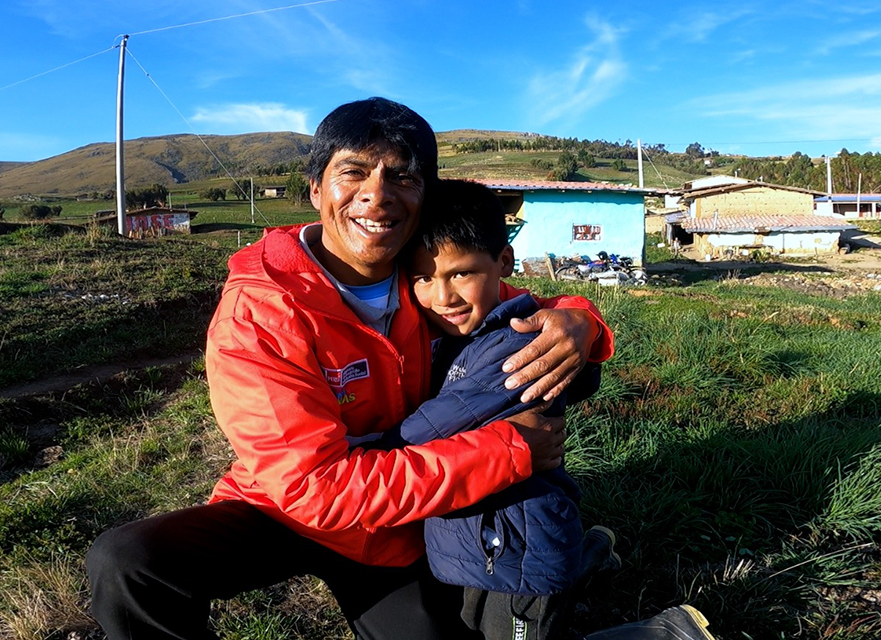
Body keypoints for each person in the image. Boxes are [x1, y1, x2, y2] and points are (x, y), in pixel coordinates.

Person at [86, 97, 614, 640]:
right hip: (284, 511)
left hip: (393, 527)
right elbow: (313, 487)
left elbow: (515, 307)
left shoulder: (422, 278)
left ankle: (590, 571)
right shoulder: (261, 311)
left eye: (402, 177)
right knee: (127, 562)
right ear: (316, 188)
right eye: (353, 172)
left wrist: (582, 320)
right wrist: (510, 450)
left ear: (423, 195)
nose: (377, 195)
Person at [357, 179, 617, 640]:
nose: (443, 298)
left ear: (504, 262)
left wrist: (372, 453)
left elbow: (435, 426)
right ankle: (593, 551)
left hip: (522, 548)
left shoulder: (518, 345)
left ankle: (665, 629)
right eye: (422, 278)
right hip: (482, 541)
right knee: (479, 627)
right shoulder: (457, 337)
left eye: (460, 273)